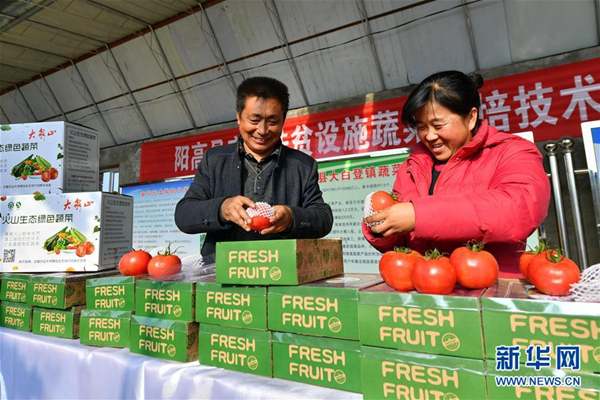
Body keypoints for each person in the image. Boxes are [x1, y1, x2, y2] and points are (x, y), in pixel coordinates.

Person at [364, 70, 551, 277]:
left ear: (470, 118)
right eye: (421, 127)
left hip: (489, 289)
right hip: (425, 287)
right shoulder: (412, 165)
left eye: (438, 125)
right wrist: (382, 229)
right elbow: (403, 242)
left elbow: (519, 209)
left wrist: (419, 216)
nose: (430, 135)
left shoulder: (511, 151)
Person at [175, 76, 333, 257]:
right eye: (254, 120)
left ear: (283, 120)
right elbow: (184, 214)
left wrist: (292, 217)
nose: (262, 130)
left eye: (272, 121)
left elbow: (323, 218)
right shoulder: (215, 161)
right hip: (223, 272)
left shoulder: (302, 166)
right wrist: (222, 208)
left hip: (281, 270)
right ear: (238, 116)